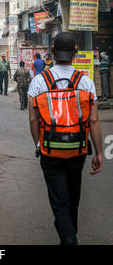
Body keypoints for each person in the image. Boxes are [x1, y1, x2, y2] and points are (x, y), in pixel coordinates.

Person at [28, 32, 103, 245]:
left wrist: (38, 144)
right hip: (77, 150)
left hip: (50, 151)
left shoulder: (39, 81)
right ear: (75, 53)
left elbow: (33, 121)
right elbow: (94, 121)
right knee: (73, 199)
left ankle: (69, 240)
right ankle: (70, 236)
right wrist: (98, 152)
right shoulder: (86, 82)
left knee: (59, 202)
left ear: (52, 51)